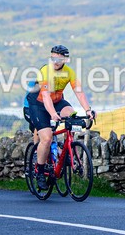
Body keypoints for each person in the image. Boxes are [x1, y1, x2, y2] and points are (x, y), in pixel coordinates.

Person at [27, 45, 95, 190]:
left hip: (57, 101)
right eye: (53, 58)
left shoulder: (69, 72)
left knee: (72, 115)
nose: (55, 61)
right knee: (46, 138)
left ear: (65, 59)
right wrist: (52, 114)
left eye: (59, 58)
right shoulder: (45, 71)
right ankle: (39, 170)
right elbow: (45, 97)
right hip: (38, 104)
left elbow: (79, 92)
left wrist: (88, 110)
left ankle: (68, 150)